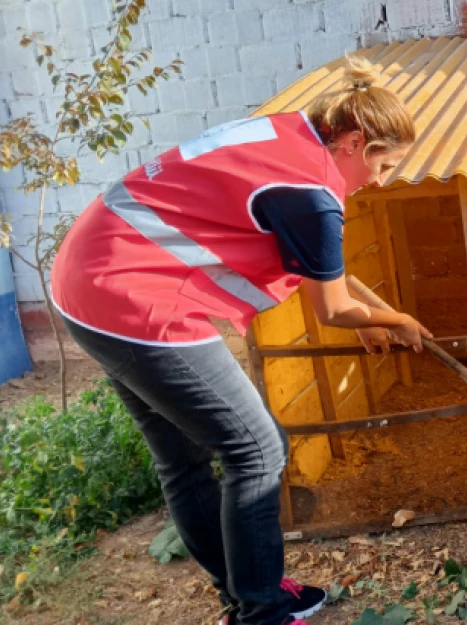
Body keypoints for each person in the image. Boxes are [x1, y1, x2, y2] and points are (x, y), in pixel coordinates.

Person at [50, 56, 430, 625]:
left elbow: (319, 263)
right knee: (257, 450)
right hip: (135, 301)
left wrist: (371, 318)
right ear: (354, 142)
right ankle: (263, 611)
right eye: (383, 166)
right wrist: (398, 320)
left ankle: (245, 593)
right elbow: (331, 306)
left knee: (182, 457)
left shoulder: (290, 136)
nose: (379, 182)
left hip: (87, 280)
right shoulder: (311, 191)